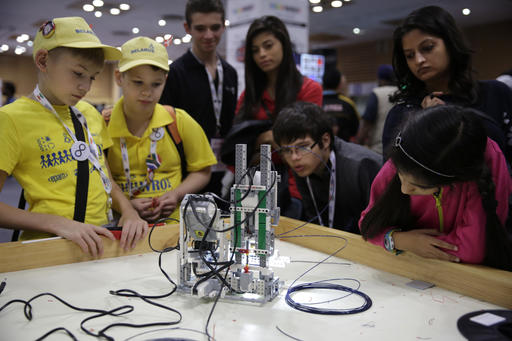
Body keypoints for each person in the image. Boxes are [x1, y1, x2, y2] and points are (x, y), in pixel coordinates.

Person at [0, 17, 148, 256]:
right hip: (50, 246)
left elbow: (104, 178)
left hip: (102, 240)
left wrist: (129, 212)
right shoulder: (11, 119)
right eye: (78, 73)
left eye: (92, 77)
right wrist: (55, 223)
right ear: (43, 60)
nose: (85, 87)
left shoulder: (89, 113)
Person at [360, 105, 512, 271]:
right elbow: (369, 224)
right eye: (400, 176)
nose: (404, 189)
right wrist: (400, 240)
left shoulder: (482, 164)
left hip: (472, 275)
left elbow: (472, 249)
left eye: (418, 187)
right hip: (412, 268)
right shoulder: (404, 154)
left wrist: (420, 246)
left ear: (452, 180)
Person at [381, 6, 512, 164]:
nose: (419, 60)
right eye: (410, 55)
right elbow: (393, 178)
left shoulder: (496, 93)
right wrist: (424, 127)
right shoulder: (402, 112)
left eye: (428, 48)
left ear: (450, 43)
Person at [107, 36, 217, 222]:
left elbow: (203, 170)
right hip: (120, 228)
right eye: (138, 82)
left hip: (173, 227)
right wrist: (125, 206)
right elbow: (97, 182)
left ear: (165, 80)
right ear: (119, 77)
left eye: (156, 84)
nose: (147, 92)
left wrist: (176, 195)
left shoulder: (179, 121)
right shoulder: (102, 126)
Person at [233, 15, 323, 219]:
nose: (262, 54)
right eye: (255, 50)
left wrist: (266, 139)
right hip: (253, 187)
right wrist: (265, 138)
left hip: (297, 188)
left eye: (268, 45)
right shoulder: (249, 96)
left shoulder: (309, 89)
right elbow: (237, 145)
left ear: (283, 44)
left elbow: (304, 144)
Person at [159, 0, 237, 197]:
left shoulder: (230, 73)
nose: (209, 35)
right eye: (200, 28)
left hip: (222, 169)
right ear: (188, 28)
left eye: (215, 27)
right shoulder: (175, 72)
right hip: (185, 174)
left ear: (224, 26)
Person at [273, 101, 382, 234]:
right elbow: (314, 218)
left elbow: (381, 224)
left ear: (325, 141)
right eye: (287, 150)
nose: (294, 157)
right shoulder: (302, 166)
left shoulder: (361, 166)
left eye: (302, 147)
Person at [355, 64, 397, 154]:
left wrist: (357, 144)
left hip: (380, 149)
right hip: (400, 148)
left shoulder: (377, 93)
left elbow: (366, 124)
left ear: (380, 79)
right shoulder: (402, 92)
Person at [322, 68, 360, 142]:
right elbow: (355, 130)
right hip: (344, 149)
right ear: (340, 84)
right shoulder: (348, 104)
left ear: (323, 83)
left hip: (320, 150)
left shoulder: (316, 103)